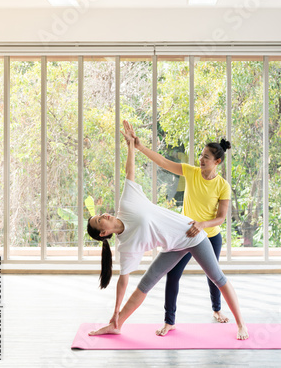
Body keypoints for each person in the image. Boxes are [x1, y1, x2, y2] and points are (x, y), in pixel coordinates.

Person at [87, 121, 248, 340]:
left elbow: (129, 171)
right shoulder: (124, 246)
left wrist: (133, 146)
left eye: (100, 214)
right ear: (104, 234)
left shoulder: (126, 203)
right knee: (146, 282)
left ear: (217, 162)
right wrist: (114, 311)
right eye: (100, 220)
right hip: (173, 244)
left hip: (192, 235)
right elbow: (123, 279)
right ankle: (117, 324)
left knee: (217, 277)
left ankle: (240, 324)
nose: (104, 215)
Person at [129, 124, 231, 336]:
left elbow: (220, 218)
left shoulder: (222, 186)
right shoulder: (192, 173)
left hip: (209, 236)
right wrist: (139, 147)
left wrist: (202, 225)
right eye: (201, 155)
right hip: (185, 235)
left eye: (206, 157)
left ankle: (217, 309)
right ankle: (169, 321)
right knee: (173, 274)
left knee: (214, 276)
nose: (201, 160)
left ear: (217, 162)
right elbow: (164, 162)